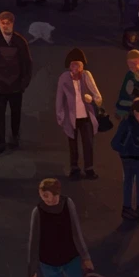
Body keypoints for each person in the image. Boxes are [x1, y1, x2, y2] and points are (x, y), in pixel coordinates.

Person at [0, 11, 32, 154]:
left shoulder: (20, 41)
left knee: (15, 113)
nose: (5, 26)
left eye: (8, 23)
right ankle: (1, 141)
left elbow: (27, 63)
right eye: (3, 23)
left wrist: (23, 83)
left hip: (16, 87)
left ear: (12, 24)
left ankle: (15, 137)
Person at [55, 47, 102, 179]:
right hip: (71, 117)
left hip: (86, 116)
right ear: (69, 66)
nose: (76, 68)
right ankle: (74, 168)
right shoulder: (64, 78)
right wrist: (60, 115)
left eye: (78, 65)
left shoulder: (87, 76)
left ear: (82, 66)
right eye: (73, 65)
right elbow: (60, 98)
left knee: (88, 143)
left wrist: (91, 99)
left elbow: (97, 95)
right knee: (73, 143)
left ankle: (89, 168)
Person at [111, 96, 139, 220]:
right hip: (129, 158)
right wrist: (126, 150)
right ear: (136, 111)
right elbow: (115, 142)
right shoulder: (126, 123)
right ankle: (127, 208)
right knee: (129, 182)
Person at [115, 49, 139, 117]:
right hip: (128, 109)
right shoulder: (129, 75)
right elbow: (124, 92)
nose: (132, 66)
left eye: (134, 63)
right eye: (130, 64)